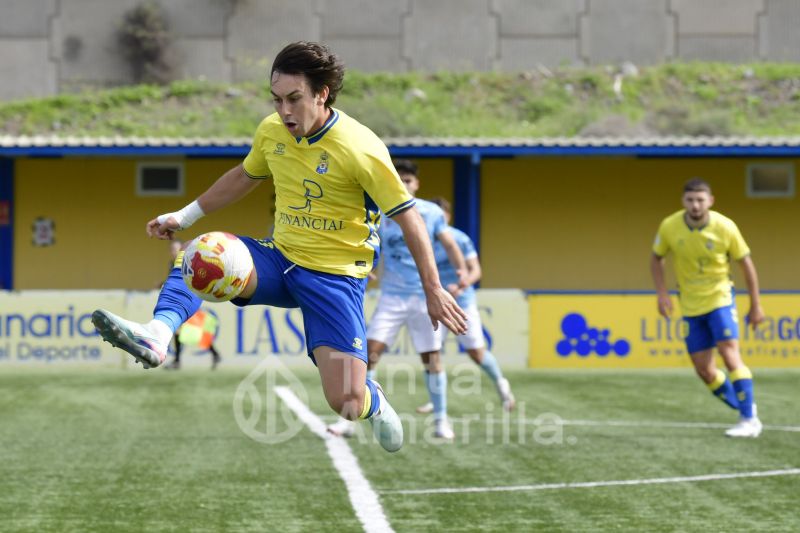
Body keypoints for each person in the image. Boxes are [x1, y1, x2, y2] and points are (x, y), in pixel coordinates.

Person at [91, 41, 468, 454]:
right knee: (203, 253)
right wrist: (183, 217)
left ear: (322, 93)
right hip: (280, 259)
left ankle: (371, 401)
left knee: (345, 402)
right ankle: (157, 335)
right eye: (276, 99)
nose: (284, 111)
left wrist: (434, 288)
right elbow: (243, 176)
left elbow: (410, 218)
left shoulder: (360, 147)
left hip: (335, 279)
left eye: (294, 98)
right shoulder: (272, 131)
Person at [328, 160, 468, 441]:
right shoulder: (381, 210)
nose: (404, 184)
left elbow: (449, 243)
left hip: (423, 297)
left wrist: (462, 270)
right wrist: (364, 265)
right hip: (391, 297)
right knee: (367, 355)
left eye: (408, 180)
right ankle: (350, 419)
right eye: (399, 179)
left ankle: (441, 421)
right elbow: (365, 239)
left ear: (417, 184)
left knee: (432, 359)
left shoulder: (430, 212)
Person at [650, 178, 765, 438]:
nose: (695, 205)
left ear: (710, 201)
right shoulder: (669, 226)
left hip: (720, 298)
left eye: (700, 200)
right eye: (690, 200)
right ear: (683, 201)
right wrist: (662, 293)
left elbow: (746, 264)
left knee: (729, 353)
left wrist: (756, 305)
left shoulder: (725, 227)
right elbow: (656, 258)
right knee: (704, 370)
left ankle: (749, 419)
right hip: (690, 304)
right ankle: (746, 407)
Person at [414, 196, 515, 414]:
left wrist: (462, 284)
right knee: (431, 354)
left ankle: (501, 383)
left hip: (462, 302)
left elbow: (476, 270)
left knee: (476, 353)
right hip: (436, 304)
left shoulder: (459, 239)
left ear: (448, 217)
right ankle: (436, 400)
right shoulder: (420, 238)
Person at [162, 240, 222, 370]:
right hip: (180, 300)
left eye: (177, 249)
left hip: (188, 299)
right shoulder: (172, 264)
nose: (174, 252)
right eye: (172, 249)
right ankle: (213, 355)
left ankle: (178, 361)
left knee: (189, 331)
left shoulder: (189, 262)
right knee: (186, 331)